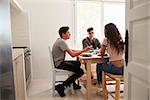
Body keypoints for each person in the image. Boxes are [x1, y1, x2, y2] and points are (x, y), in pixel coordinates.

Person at [52, 26, 92, 97]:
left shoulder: (60, 41)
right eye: (68, 32)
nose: (70, 34)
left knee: (78, 63)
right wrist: (83, 50)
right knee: (80, 71)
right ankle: (62, 86)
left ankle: (72, 83)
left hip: (59, 62)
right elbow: (73, 55)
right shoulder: (62, 42)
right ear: (63, 34)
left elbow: (71, 50)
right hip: (59, 64)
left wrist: (82, 51)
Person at [97, 23, 124, 94]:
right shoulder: (120, 39)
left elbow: (102, 54)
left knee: (99, 65)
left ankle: (100, 87)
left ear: (107, 31)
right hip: (123, 69)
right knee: (106, 64)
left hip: (115, 69)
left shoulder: (106, 40)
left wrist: (104, 50)